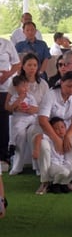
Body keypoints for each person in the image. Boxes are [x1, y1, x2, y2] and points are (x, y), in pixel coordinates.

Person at [34, 71, 72, 195]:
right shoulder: (51, 95)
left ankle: (65, 180)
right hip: (46, 130)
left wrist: (67, 136)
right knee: (44, 147)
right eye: (68, 86)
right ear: (61, 82)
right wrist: (56, 139)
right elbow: (43, 120)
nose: (71, 90)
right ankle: (45, 181)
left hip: (64, 130)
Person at [5, 53, 49, 175]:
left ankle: (38, 166)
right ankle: (17, 165)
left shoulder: (43, 84)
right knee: (20, 133)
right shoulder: (16, 83)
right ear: (23, 66)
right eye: (29, 65)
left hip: (37, 118)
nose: (32, 68)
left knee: (33, 132)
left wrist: (36, 109)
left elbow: (48, 106)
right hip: (20, 117)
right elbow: (7, 106)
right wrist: (16, 106)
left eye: (35, 65)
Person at [32, 117, 72, 193]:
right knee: (65, 172)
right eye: (56, 128)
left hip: (63, 164)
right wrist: (36, 150)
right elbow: (38, 136)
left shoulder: (65, 138)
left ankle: (62, 183)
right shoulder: (50, 138)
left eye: (62, 127)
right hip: (53, 165)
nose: (60, 130)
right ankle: (53, 184)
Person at [5, 75, 39, 175]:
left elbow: (35, 107)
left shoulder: (30, 96)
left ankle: (37, 167)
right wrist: (19, 100)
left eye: (26, 86)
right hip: (20, 119)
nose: (25, 88)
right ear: (16, 87)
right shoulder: (15, 96)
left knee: (37, 127)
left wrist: (30, 109)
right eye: (22, 86)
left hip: (30, 117)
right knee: (19, 131)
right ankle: (12, 146)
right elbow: (11, 107)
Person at [0, 37, 20, 172]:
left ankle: (3, 157)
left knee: (2, 123)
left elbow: (17, 64)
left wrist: (7, 75)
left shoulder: (6, 43)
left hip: (3, 88)